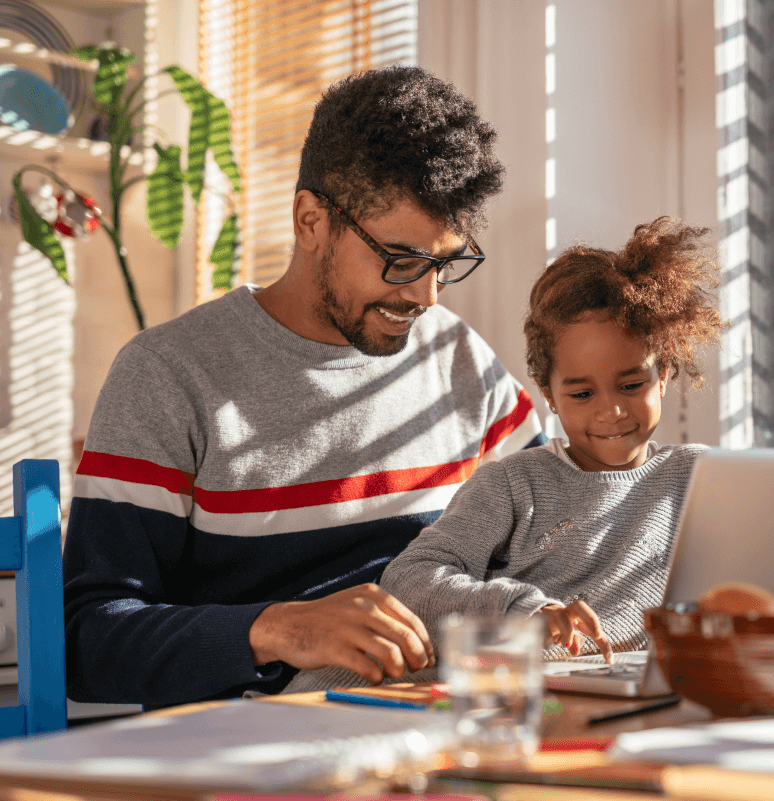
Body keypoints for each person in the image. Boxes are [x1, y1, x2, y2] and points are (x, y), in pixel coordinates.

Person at [62, 66, 544, 708]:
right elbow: (87, 642)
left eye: (444, 263)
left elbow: (555, 534)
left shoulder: (458, 360)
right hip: (252, 750)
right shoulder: (170, 374)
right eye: (400, 259)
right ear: (310, 220)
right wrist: (274, 629)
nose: (424, 295)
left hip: (445, 728)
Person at [283, 216, 727, 692]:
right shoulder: (516, 484)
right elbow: (409, 579)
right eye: (581, 394)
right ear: (549, 395)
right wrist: (523, 611)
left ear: (664, 376)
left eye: (632, 384)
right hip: (400, 689)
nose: (611, 411)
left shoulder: (702, 478)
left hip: (598, 691)